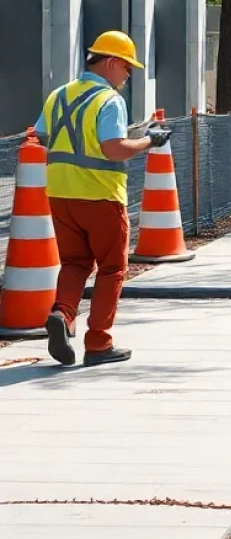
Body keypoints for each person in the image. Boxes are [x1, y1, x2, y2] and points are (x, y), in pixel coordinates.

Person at [34, 31, 170, 368]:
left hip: (61, 195)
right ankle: (98, 343)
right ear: (111, 63)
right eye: (126, 68)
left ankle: (62, 316)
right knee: (111, 268)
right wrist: (148, 141)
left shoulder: (58, 95)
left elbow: (40, 136)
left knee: (75, 262)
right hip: (100, 195)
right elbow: (113, 149)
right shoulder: (109, 100)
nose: (127, 76)